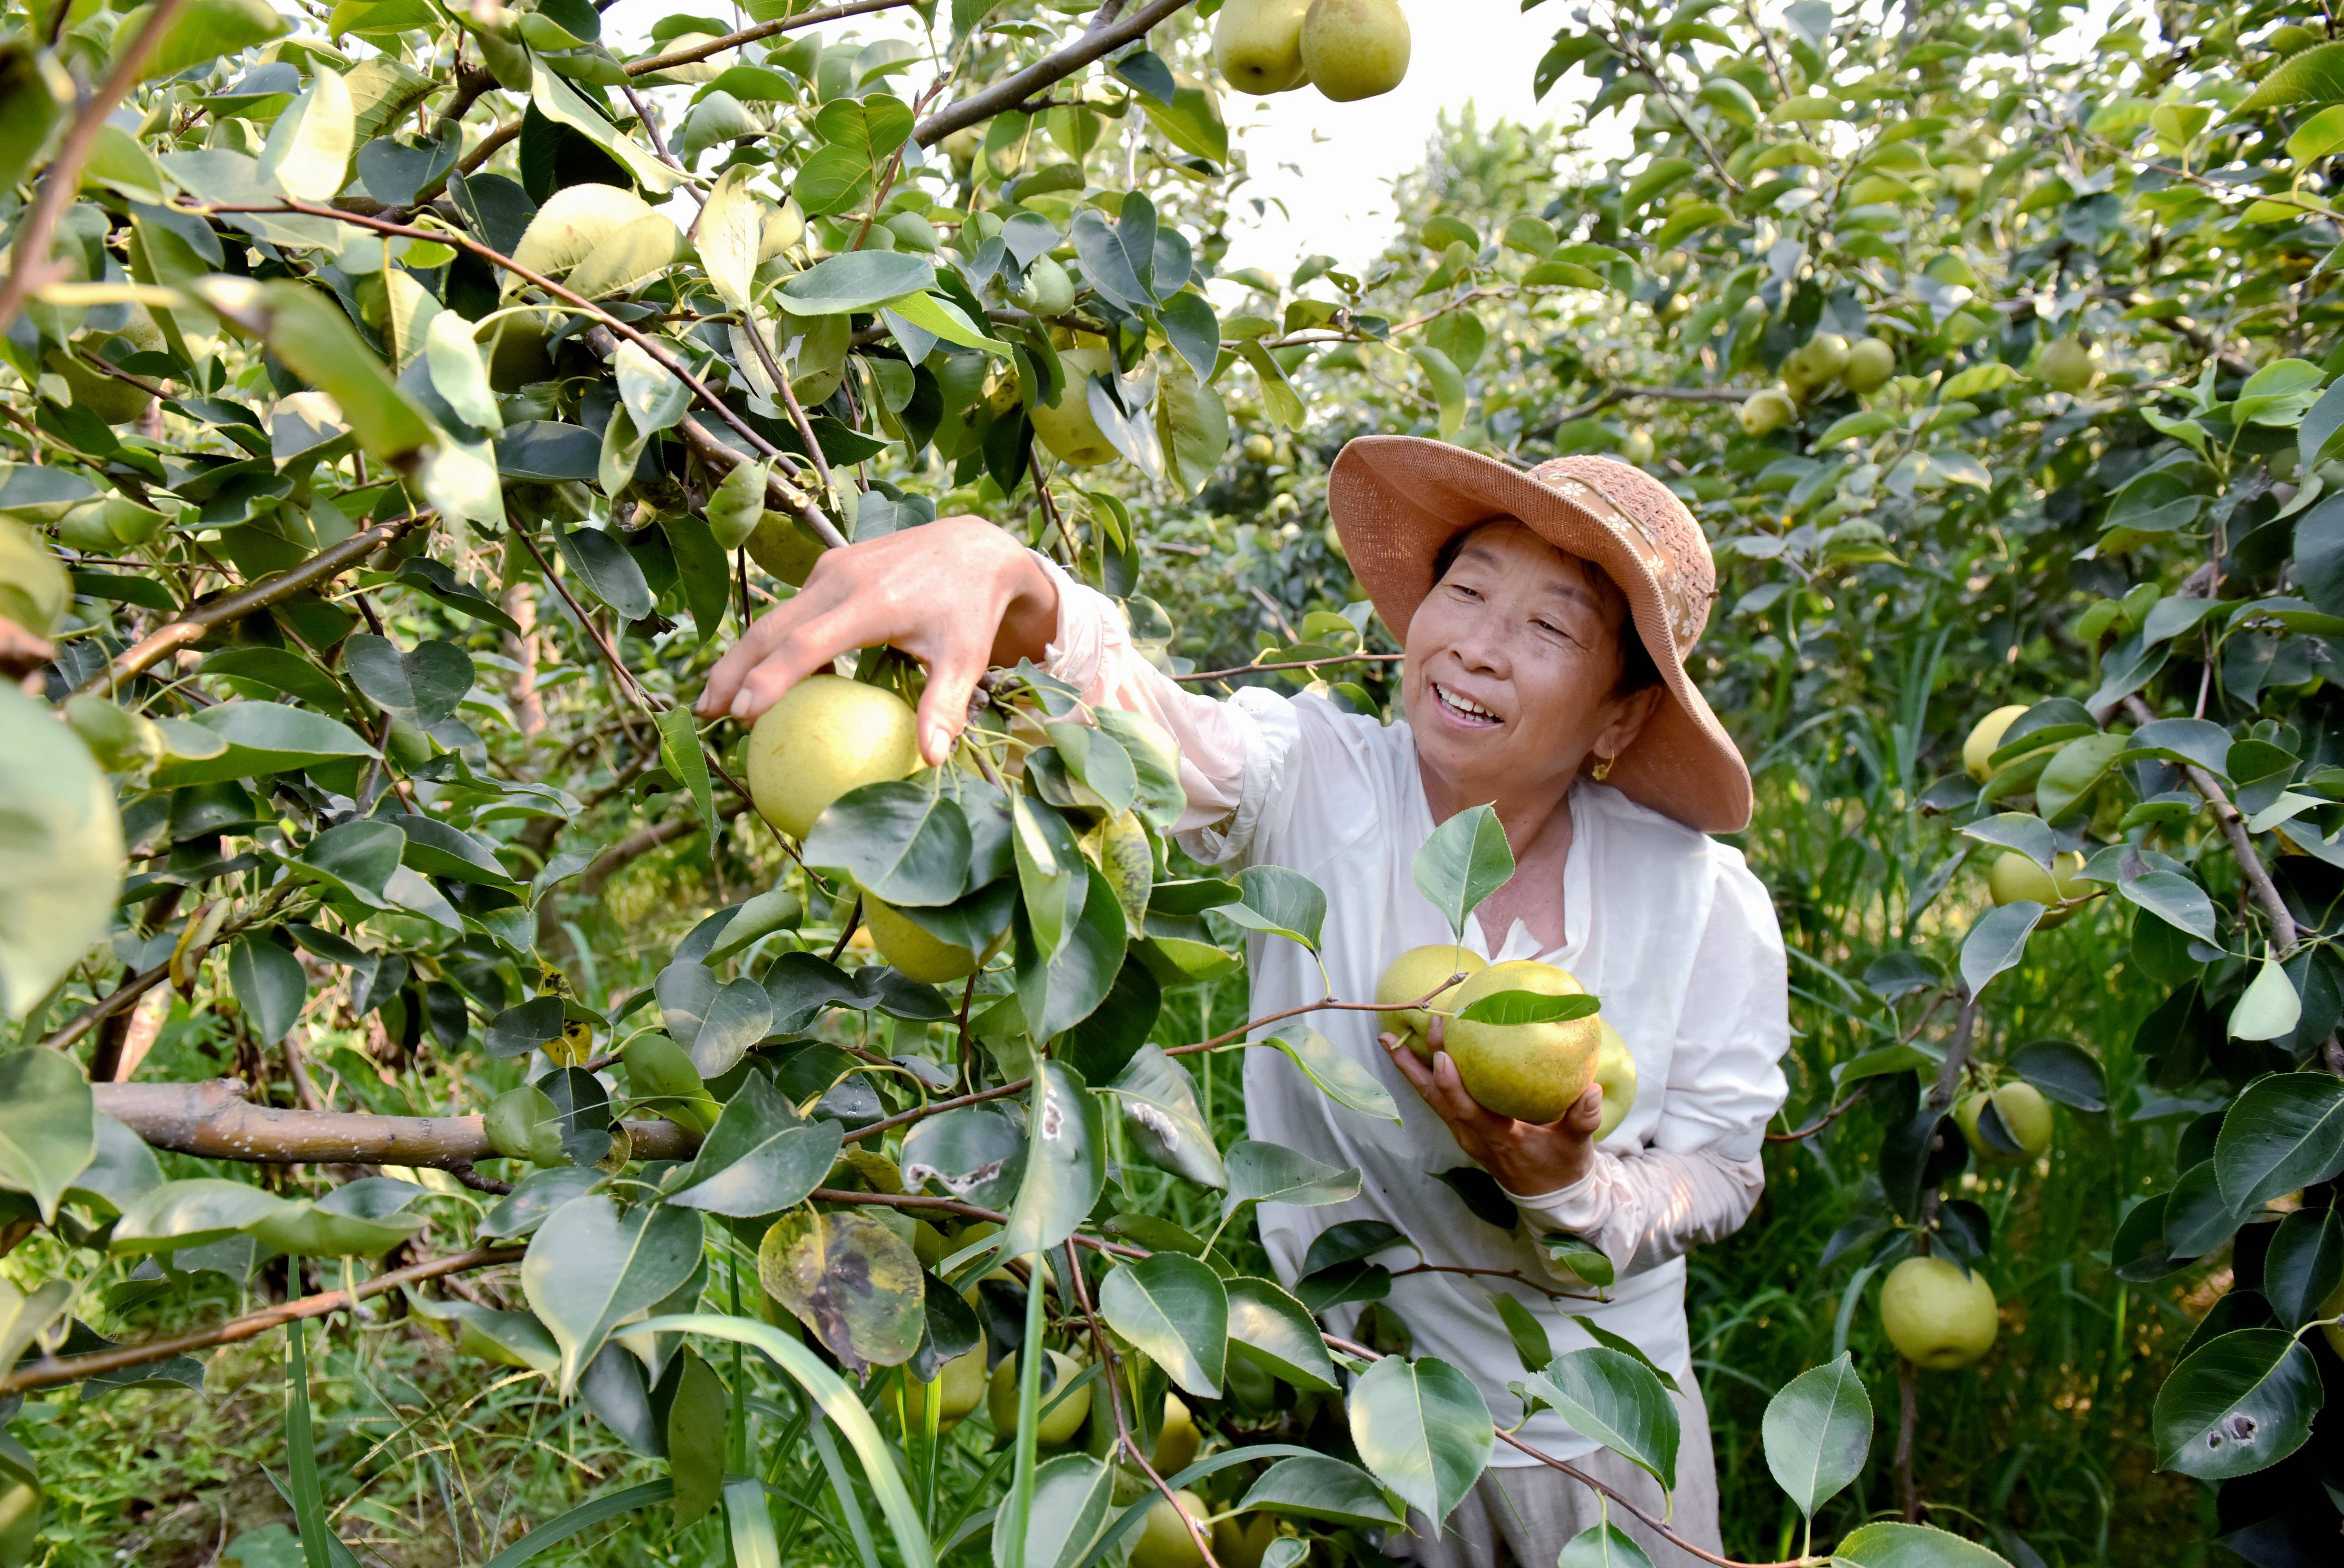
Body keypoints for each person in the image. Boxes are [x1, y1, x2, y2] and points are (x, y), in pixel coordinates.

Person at [696, 437, 1789, 1568]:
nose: (1477, 642)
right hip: (1356, 1420)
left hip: (1598, 1446)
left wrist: (1570, 1185)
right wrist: (1017, 579)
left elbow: (1722, 1167)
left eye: (1549, 627)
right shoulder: (1320, 776)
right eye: (1465, 590)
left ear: (1617, 718)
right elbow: (1157, 733)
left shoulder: (1702, 901)